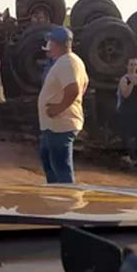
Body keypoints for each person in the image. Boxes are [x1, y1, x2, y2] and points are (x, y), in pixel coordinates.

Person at [37, 26, 90, 184]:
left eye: (50, 42)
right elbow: (84, 84)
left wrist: (59, 108)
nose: (48, 45)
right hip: (54, 124)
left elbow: (74, 89)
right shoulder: (72, 61)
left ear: (56, 44)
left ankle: (65, 202)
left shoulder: (67, 63)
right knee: (49, 161)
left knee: (61, 168)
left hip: (60, 124)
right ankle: (55, 198)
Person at [116, 57, 137, 166]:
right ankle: (126, 156)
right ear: (127, 66)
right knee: (126, 133)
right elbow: (125, 94)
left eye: (135, 64)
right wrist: (132, 83)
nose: (133, 67)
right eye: (131, 64)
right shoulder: (124, 79)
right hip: (126, 110)